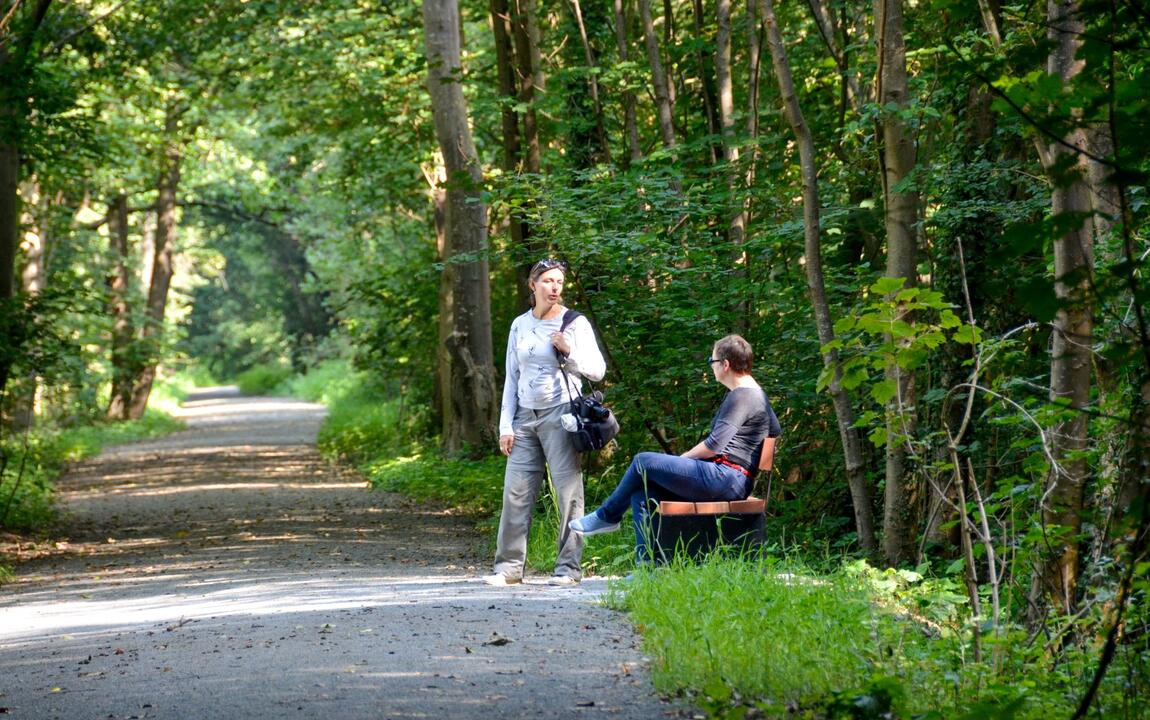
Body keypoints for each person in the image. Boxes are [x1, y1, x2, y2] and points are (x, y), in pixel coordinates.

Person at [568, 334, 781, 563]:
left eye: (712, 362)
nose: (711, 368)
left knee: (644, 462)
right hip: (733, 478)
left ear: (725, 365)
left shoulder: (742, 396)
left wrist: (683, 459)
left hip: (726, 478)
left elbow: (714, 445)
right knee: (643, 493)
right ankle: (648, 566)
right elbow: (774, 429)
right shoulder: (757, 394)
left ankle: (607, 515)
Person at [483, 258, 607, 587]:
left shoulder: (574, 323)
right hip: (525, 417)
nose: (554, 288)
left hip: (561, 414)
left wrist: (570, 351)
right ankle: (508, 568)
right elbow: (511, 377)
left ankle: (568, 569)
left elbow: (597, 371)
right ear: (533, 285)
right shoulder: (519, 325)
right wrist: (505, 426)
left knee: (568, 494)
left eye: (559, 282)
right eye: (548, 281)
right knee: (516, 492)